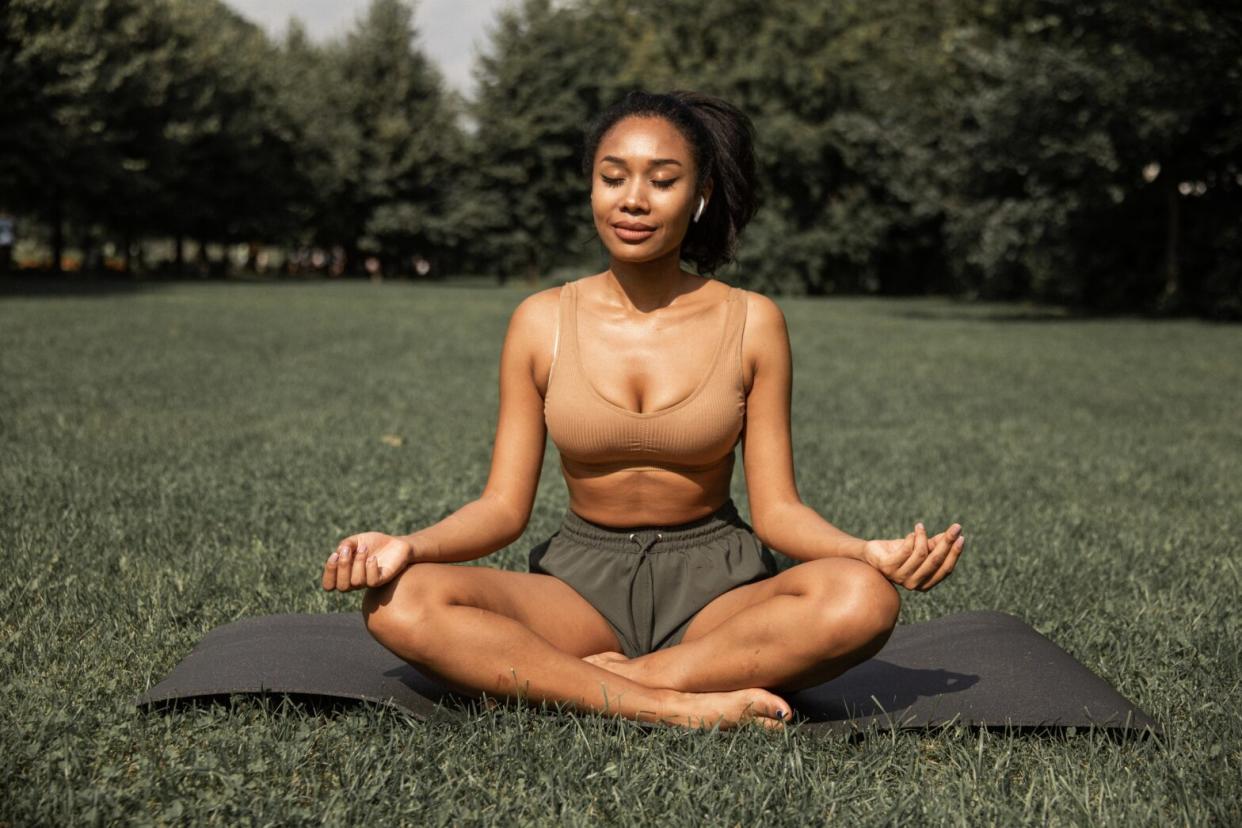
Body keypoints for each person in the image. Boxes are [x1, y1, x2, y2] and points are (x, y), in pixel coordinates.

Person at [320, 90, 965, 732]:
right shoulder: (539, 321)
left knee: (864, 599)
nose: (633, 200)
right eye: (612, 179)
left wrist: (865, 553)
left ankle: (613, 681)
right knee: (398, 604)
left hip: (718, 591)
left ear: (700, 195)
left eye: (662, 181)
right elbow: (501, 508)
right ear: (591, 189)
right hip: (578, 590)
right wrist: (407, 546)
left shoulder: (753, 322)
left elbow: (778, 512)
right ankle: (672, 705)